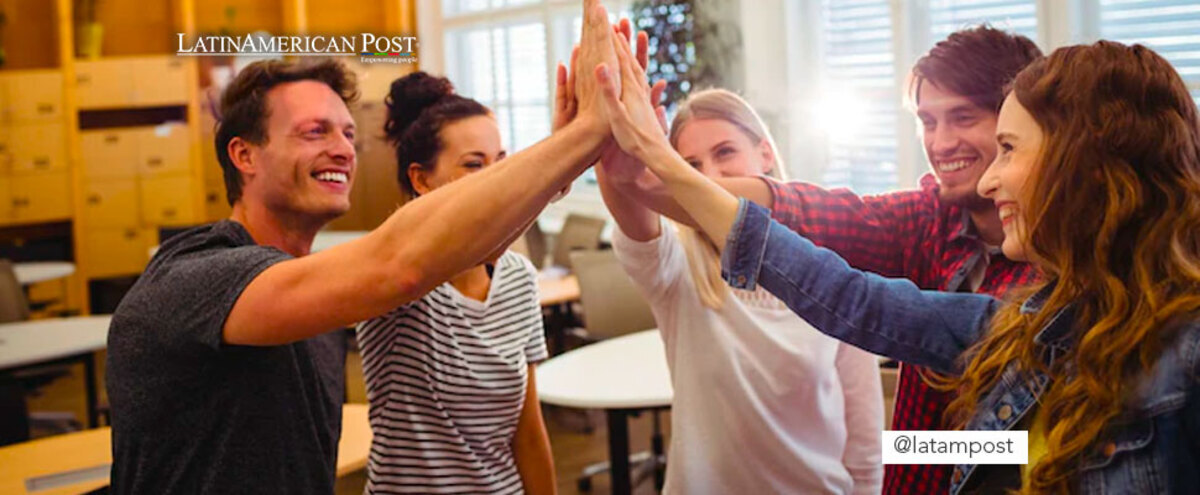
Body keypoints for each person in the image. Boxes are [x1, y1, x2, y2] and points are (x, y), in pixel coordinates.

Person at [600, 27, 1200, 494]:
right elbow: (818, 241)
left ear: (1079, 158)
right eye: (926, 122)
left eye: (967, 120)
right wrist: (649, 176)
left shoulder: (1126, 327)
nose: (942, 145)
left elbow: (1037, 442)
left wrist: (907, 449)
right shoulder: (940, 230)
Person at [104, 2, 624, 491]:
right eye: (315, 131)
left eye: (349, 134)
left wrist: (562, 168)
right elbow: (400, 265)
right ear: (244, 154)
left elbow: (472, 255)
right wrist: (577, 141)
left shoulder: (318, 298)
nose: (343, 149)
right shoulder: (197, 275)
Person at [595, 86, 882, 493]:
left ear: (765, 153)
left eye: (725, 152)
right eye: (691, 164)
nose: (710, 176)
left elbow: (864, 430)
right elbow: (633, 216)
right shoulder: (676, 268)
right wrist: (618, 154)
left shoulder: (831, 270)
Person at [356, 71, 556, 494]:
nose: (495, 180)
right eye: (473, 165)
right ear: (421, 180)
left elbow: (529, 434)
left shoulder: (518, 278)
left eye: (501, 163)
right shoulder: (396, 278)